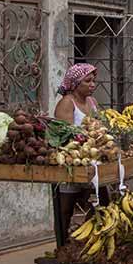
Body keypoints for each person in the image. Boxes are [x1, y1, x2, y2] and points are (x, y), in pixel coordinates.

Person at [54, 63, 102, 234]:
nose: (92, 84)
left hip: (92, 161)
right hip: (72, 162)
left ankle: (89, 238)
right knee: (65, 209)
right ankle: (62, 245)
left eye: (93, 81)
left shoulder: (93, 102)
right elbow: (64, 135)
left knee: (99, 203)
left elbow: (100, 127)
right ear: (75, 84)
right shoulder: (66, 103)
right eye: (87, 81)